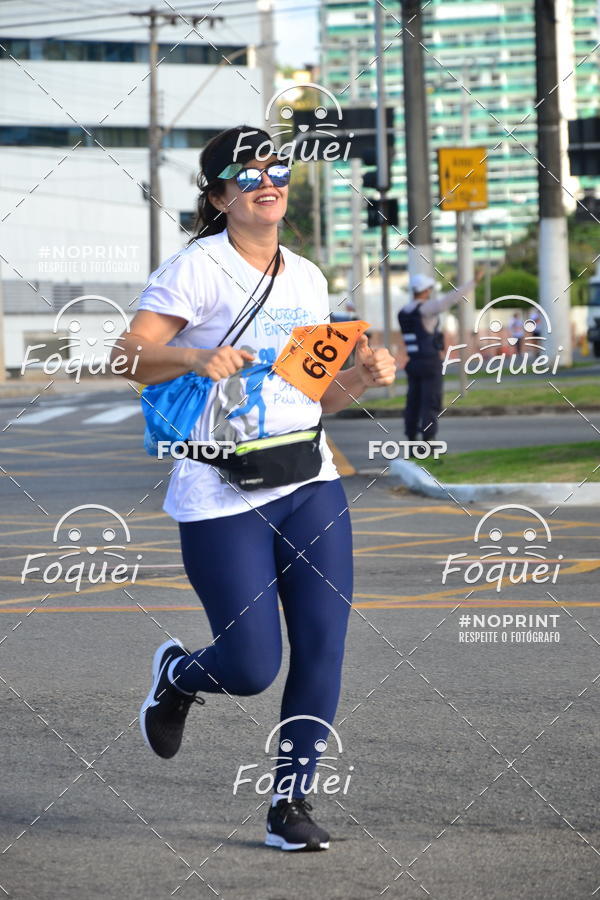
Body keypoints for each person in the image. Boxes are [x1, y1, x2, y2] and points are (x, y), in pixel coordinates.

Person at [114, 126, 396, 852]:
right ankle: (179, 675)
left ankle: (288, 805)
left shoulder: (306, 278)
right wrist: (193, 356)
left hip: (309, 480)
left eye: (275, 169)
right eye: (246, 173)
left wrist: (361, 379)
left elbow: (313, 395)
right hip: (221, 489)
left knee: (323, 647)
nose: (265, 181)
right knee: (248, 667)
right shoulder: (196, 270)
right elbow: (128, 357)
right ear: (218, 197)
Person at [397, 272, 477, 446]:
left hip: (413, 362)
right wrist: (472, 283)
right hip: (430, 361)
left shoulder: (403, 312)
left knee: (413, 401)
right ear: (426, 290)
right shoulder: (426, 309)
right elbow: (449, 300)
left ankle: (411, 437)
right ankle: (428, 440)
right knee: (431, 401)